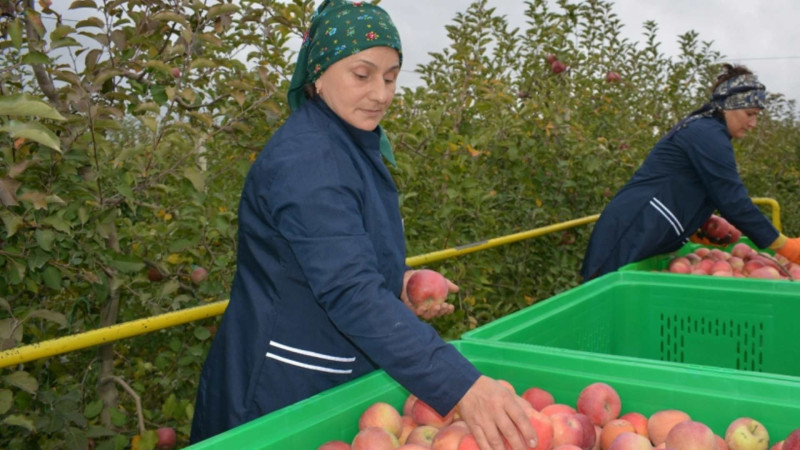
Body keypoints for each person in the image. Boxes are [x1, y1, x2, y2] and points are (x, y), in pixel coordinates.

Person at [189, 2, 538, 449]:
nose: (381, 93)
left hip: (333, 380)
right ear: (319, 73)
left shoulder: (347, 143)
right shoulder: (307, 158)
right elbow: (348, 289)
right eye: (362, 74)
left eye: (391, 77)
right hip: (278, 395)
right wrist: (462, 386)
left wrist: (401, 282)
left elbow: (339, 253)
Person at [581, 64, 800, 281]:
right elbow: (733, 200)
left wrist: (699, 224)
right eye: (749, 113)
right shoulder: (707, 134)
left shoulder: (706, 130)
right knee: (608, 299)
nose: (753, 123)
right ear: (727, 106)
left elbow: (685, 184)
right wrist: (784, 245)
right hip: (633, 228)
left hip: (644, 226)